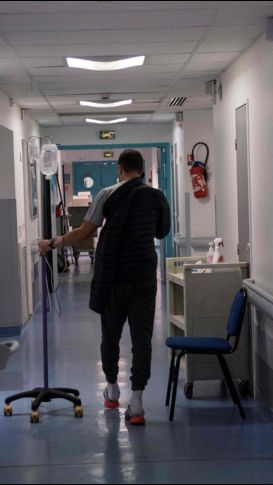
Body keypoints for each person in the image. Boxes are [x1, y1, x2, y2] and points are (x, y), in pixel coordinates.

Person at [39, 149, 171, 425]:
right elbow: (161, 232)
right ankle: (137, 402)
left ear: (120, 169)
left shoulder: (107, 194)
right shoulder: (157, 197)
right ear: (143, 170)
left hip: (115, 276)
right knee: (142, 338)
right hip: (145, 276)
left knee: (110, 334)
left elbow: (85, 231)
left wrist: (53, 243)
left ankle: (111, 389)